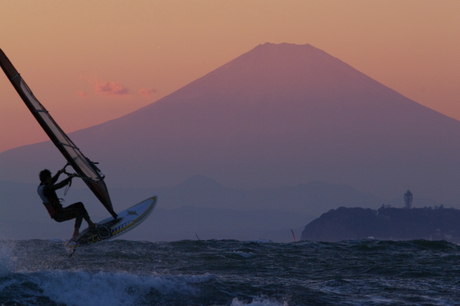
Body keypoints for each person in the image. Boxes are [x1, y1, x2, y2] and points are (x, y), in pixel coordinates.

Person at [38, 168, 96, 238]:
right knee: (79, 211)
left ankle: (90, 224)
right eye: (50, 177)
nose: (51, 179)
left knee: (79, 205)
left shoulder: (41, 187)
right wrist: (70, 177)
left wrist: (59, 173)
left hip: (60, 212)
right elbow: (59, 185)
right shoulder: (46, 189)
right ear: (47, 178)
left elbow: (53, 181)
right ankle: (76, 233)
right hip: (59, 215)